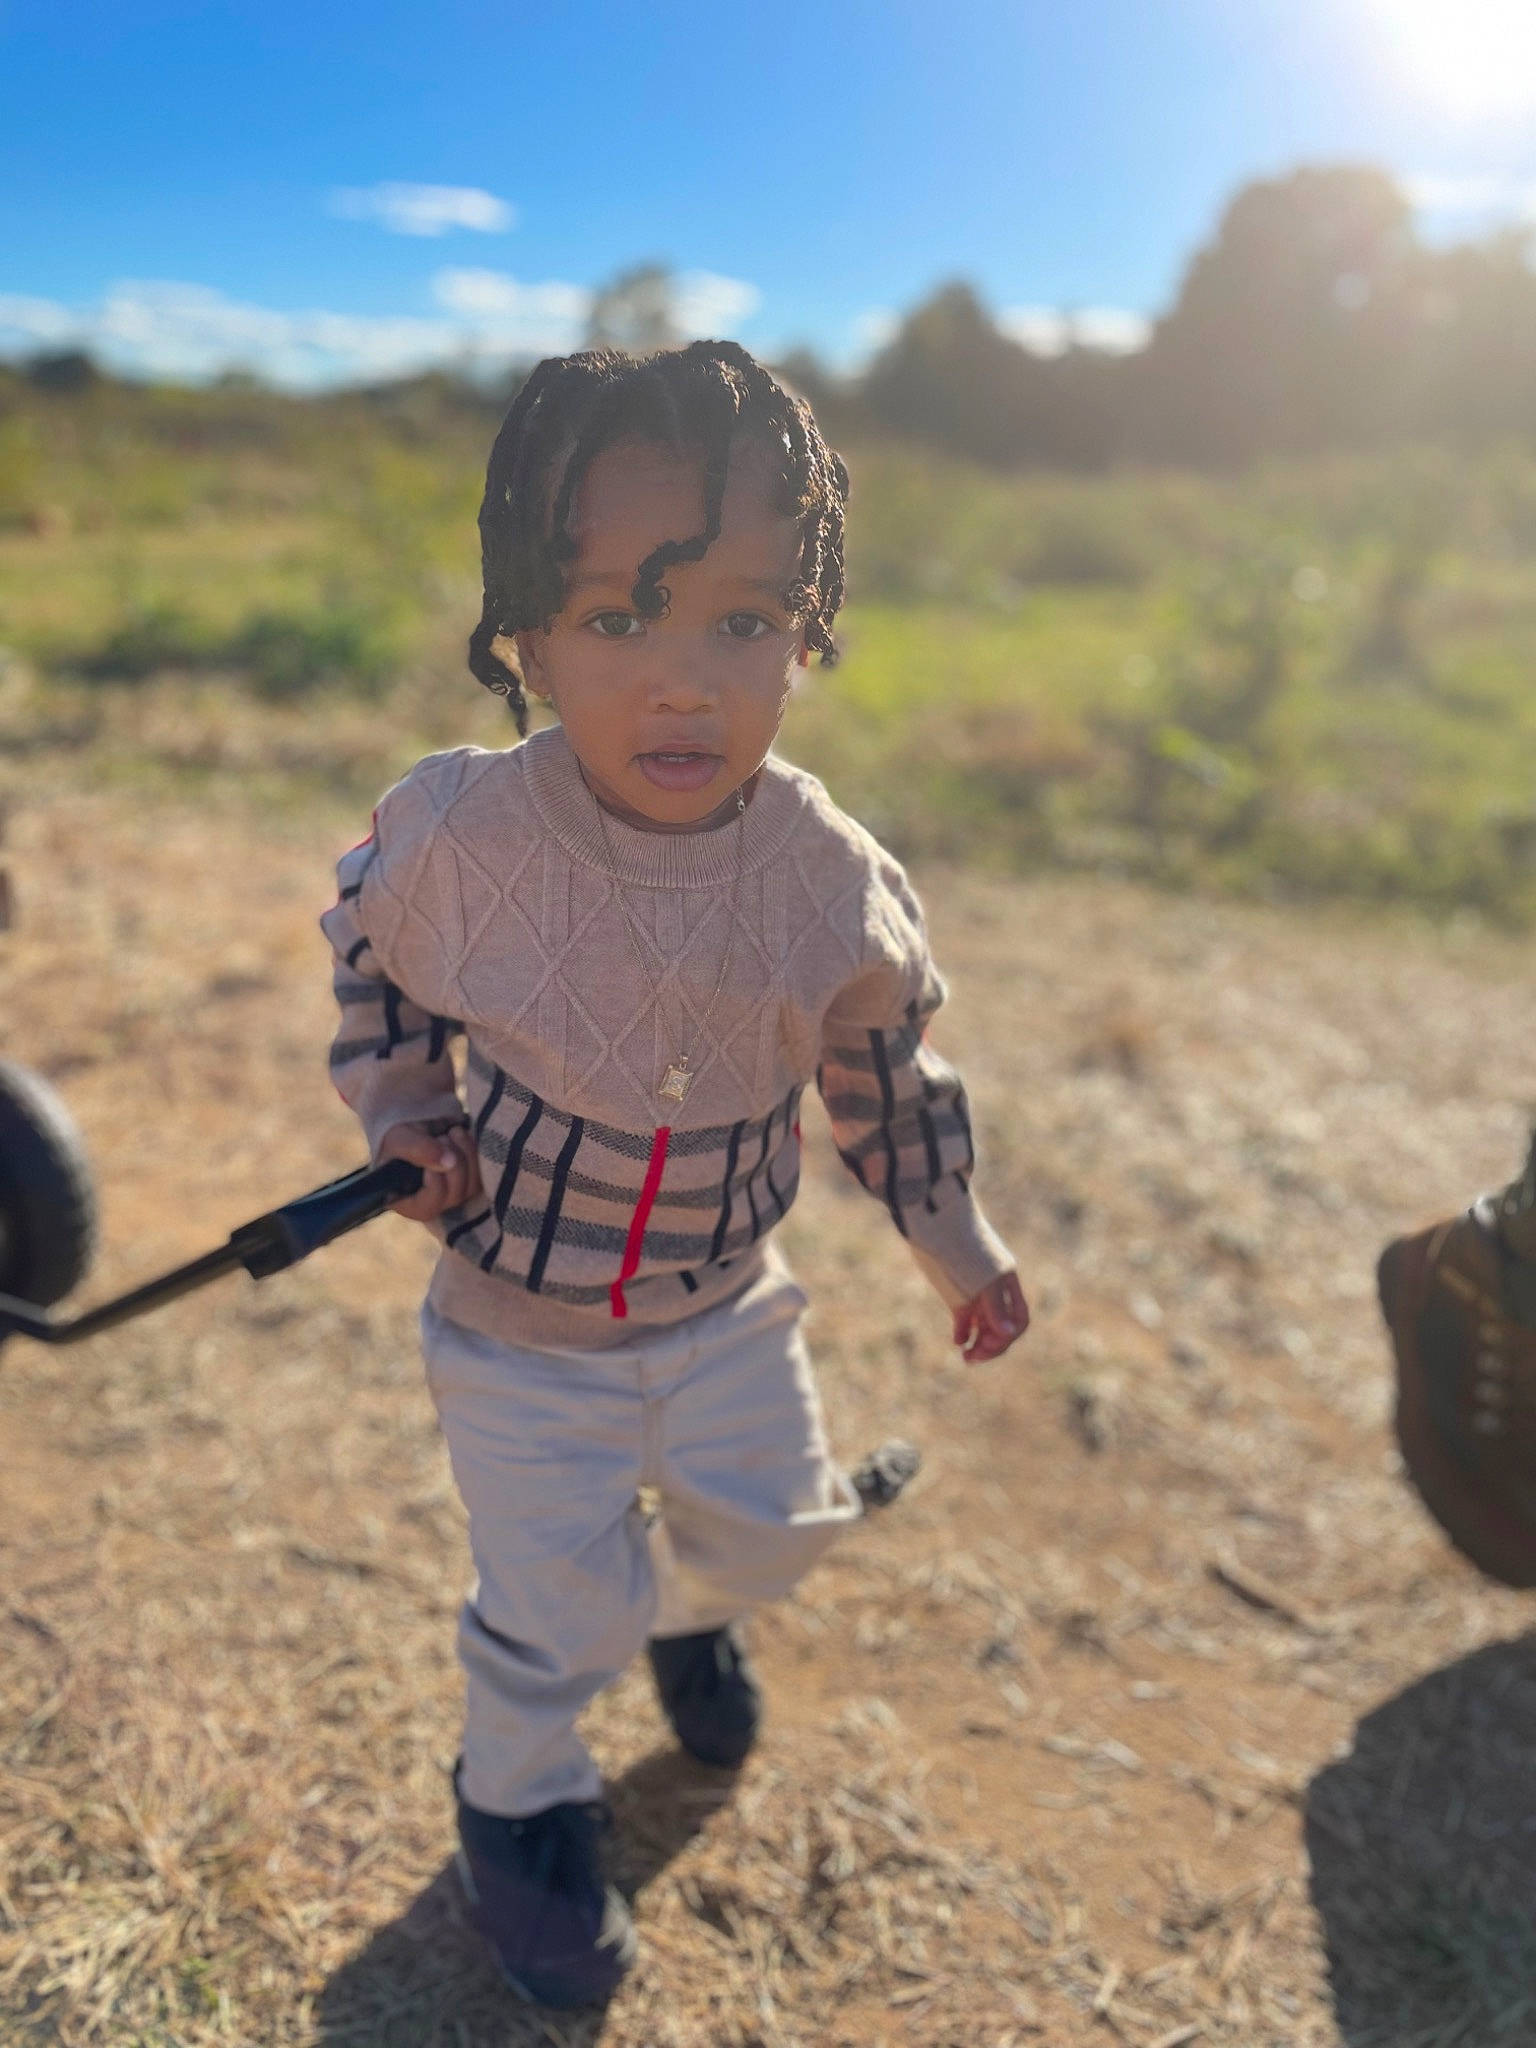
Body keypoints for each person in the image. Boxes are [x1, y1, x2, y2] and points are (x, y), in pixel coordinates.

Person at [320, 341, 1027, 2007]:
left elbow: (886, 1073)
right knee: (549, 1615)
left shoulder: (829, 880)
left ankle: (690, 1610)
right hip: (519, 1336)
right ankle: (523, 1811)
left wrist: (960, 1241)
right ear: (528, 641)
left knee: (778, 1537)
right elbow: (376, 965)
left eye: (743, 619)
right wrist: (404, 1116)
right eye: (618, 622)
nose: (685, 683)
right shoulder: (461, 843)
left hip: (729, 1312)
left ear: (808, 629)